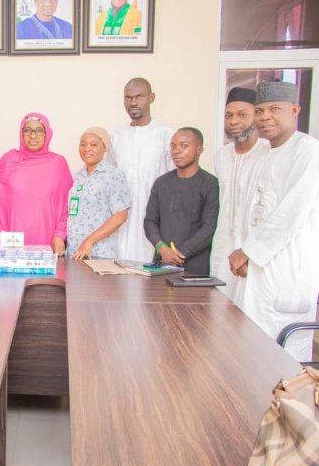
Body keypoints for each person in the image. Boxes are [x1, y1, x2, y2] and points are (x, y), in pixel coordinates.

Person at [228, 81, 319, 362]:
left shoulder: (307, 150)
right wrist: (244, 254)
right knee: (249, 352)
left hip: (286, 270)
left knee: (284, 360)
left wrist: (248, 252)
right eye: (260, 110)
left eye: (274, 109)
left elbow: (290, 214)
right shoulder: (264, 155)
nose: (265, 116)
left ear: (294, 110)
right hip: (256, 269)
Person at [209, 87, 269, 300]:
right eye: (228, 115)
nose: (234, 121)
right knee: (217, 309)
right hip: (223, 244)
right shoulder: (221, 156)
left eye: (242, 114)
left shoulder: (267, 154)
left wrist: (251, 251)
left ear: (257, 116)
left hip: (253, 247)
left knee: (249, 310)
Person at [108, 77, 174, 262]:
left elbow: (174, 181)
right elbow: (110, 180)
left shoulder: (166, 134)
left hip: (155, 218)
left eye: (139, 96)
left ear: (151, 98)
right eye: (128, 98)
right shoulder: (115, 137)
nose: (133, 102)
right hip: (123, 220)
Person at [0, 113, 73, 254]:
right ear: (21, 133)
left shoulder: (58, 164)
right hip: (12, 247)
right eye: (27, 130)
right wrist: (0, 239)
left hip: (48, 246)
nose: (33, 136)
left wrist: (59, 235)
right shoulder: (8, 160)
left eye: (39, 130)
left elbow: (68, 205)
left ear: (47, 134)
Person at [144, 127, 219, 275]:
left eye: (184, 146)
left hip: (195, 266)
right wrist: (162, 248)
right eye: (173, 146)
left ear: (199, 150)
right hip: (161, 263)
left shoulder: (210, 184)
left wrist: (181, 253)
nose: (176, 151)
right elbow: (150, 221)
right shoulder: (161, 182)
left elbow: (209, 228)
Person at [66, 127, 130, 260]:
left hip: (99, 254)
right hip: (74, 253)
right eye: (83, 144)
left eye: (93, 145)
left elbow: (121, 216)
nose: (87, 149)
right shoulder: (78, 176)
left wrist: (89, 241)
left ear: (105, 148)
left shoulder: (113, 175)